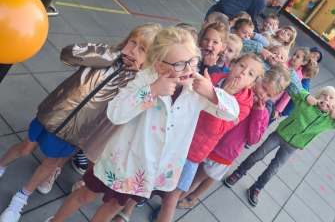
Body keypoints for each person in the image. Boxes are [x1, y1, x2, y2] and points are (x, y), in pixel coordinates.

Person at [46, 27, 240, 222]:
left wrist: (212, 93)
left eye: (192, 61)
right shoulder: (143, 80)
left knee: (115, 205)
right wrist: (152, 91)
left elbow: (232, 113)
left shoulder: (197, 89)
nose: (190, 69)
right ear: (159, 66)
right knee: (86, 194)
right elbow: (115, 113)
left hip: (149, 171)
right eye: (180, 64)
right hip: (122, 161)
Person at [0, 23, 161, 222]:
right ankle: (1, 166)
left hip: (74, 132)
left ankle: (21, 197)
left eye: (142, 49)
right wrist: (108, 55)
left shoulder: (135, 82)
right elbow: (67, 54)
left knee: (50, 163)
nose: (133, 50)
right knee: (25, 148)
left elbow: (121, 111)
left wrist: (133, 76)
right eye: (133, 42)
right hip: (52, 114)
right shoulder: (105, 55)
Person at [152, 53, 264, 222]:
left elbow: (214, 130)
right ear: (232, 65)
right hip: (177, 139)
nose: (243, 73)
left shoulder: (244, 105)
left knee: (170, 200)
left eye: (250, 73)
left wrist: (221, 99)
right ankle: (129, 209)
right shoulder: (213, 78)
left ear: (252, 84)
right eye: (242, 66)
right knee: (150, 178)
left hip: (192, 154)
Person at [176, 65, 291, 210]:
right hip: (210, 143)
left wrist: (257, 113)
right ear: (257, 81)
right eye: (263, 88)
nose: (263, 95)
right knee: (191, 175)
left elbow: (254, 139)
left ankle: (190, 197)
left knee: (203, 177)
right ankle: (177, 197)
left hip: (226, 153)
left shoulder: (264, 110)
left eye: (269, 95)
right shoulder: (241, 93)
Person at [224, 86, 335, 206]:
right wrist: (306, 96)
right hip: (280, 135)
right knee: (258, 154)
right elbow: (293, 86)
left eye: (331, 98)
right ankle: (239, 172)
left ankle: (256, 188)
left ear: (334, 105)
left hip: (292, 146)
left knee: (274, 168)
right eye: (324, 95)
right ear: (318, 96)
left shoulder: (330, 120)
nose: (326, 98)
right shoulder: (306, 103)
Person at [205, 0, 287, 31]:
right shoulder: (261, 2)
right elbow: (250, 20)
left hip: (216, 10)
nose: (275, 6)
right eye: (277, 5)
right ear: (275, 1)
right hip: (222, 18)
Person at [269, 47, 311, 123]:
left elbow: (288, 95)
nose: (294, 57)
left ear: (303, 62)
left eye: (297, 57)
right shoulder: (284, 60)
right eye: (294, 54)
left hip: (273, 96)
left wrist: (278, 109)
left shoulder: (298, 76)